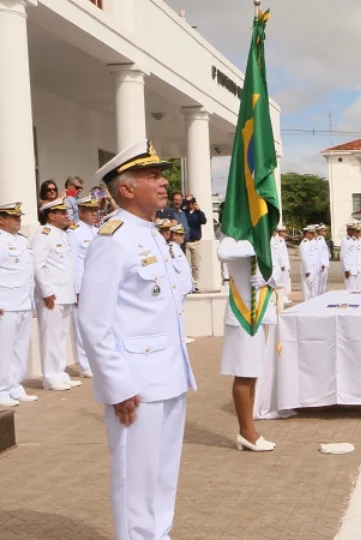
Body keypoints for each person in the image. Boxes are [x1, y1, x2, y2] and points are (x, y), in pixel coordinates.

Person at [79, 139, 197, 540]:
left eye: (162, 175)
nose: (164, 182)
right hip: (137, 383)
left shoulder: (152, 235)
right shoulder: (113, 239)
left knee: (163, 475)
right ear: (127, 188)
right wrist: (118, 385)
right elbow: (94, 322)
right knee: (136, 481)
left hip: (169, 375)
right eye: (153, 176)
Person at [218, 235, 279, 452]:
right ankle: (246, 431)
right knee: (244, 374)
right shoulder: (233, 238)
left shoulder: (263, 238)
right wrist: (256, 247)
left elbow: (275, 272)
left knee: (252, 374)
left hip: (260, 312)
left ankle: (249, 429)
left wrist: (269, 278)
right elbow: (223, 253)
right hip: (243, 314)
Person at [33, 197, 82, 391]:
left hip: (65, 293)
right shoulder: (43, 235)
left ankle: (60, 373)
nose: (66, 215)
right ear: (51, 216)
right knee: (51, 337)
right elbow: (37, 265)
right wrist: (46, 292)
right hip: (52, 295)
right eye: (62, 213)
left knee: (61, 337)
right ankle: (50, 377)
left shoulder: (62, 235)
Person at [0, 202, 39, 407]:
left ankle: (15, 386)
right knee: (4, 349)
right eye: (14, 217)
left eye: (19, 216)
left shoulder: (22, 240)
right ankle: (1, 390)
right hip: (5, 303)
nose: (19, 220)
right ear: (1, 219)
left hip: (24, 301)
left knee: (20, 348)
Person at [67, 196, 102, 379]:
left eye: (96, 210)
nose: (95, 214)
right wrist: (77, 289)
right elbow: (74, 263)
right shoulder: (74, 232)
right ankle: (84, 364)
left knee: (97, 325)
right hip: (83, 285)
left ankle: (95, 361)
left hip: (97, 284)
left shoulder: (97, 232)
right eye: (91, 211)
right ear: (81, 212)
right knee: (82, 327)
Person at [184, 196, 207, 291]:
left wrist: (199, 210)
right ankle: (187, 284)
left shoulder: (198, 213)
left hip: (196, 242)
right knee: (186, 265)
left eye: (192, 203)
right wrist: (185, 200)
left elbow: (203, 221)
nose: (190, 205)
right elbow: (177, 208)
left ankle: (195, 285)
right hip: (186, 242)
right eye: (188, 203)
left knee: (196, 265)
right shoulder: (184, 213)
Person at [166, 222, 193, 305]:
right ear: (174, 236)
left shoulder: (177, 248)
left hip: (183, 287)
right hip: (178, 287)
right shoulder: (171, 249)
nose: (183, 236)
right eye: (180, 234)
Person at [271, 226, 290, 307]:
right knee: (275, 283)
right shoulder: (274, 240)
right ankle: (274, 299)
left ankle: (282, 297)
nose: (275, 232)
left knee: (282, 283)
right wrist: (282, 264)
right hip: (275, 265)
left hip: (279, 265)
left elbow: (280, 254)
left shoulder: (278, 240)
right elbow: (277, 253)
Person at [298, 226, 318, 301]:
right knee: (307, 291)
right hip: (308, 271)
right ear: (307, 234)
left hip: (314, 269)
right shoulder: (304, 243)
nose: (313, 235)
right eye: (311, 233)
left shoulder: (311, 242)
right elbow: (305, 258)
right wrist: (307, 270)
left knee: (313, 290)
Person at [341, 223, 361, 292]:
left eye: (354, 230)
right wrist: (346, 269)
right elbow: (343, 255)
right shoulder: (345, 240)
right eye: (352, 230)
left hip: (355, 269)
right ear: (348, 230)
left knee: (355, 289)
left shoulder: (353, 240)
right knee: (350, 290)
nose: (353, 232)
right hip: (349, 269)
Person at [315, 224, 331, 295]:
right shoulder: (320, 240)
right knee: (321, 284)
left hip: (325, 264)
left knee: (323, 284)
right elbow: (318, 253)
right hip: (322, 265)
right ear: (320, 232)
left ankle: (321, 295)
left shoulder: (322, 240)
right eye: (324, 231)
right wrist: (322, 264)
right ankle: (320, 296)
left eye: (325, 231)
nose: (325, 232)